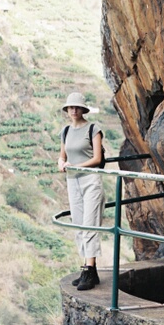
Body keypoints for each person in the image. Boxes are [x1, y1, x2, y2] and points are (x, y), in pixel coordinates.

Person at [57, 92, 105, 291]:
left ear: (83, 109)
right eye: (70, 107)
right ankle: (89, 271)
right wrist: (61, 163)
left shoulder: (94, 129)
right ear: (67, 110)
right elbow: (62, 155)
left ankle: (89, 268)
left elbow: (97, 158)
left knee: (90, 224)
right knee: (78, 224)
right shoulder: (66, 131)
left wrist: (77, 167)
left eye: (77, 107)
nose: (74, 110)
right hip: (72, 182)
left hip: (90, 180)